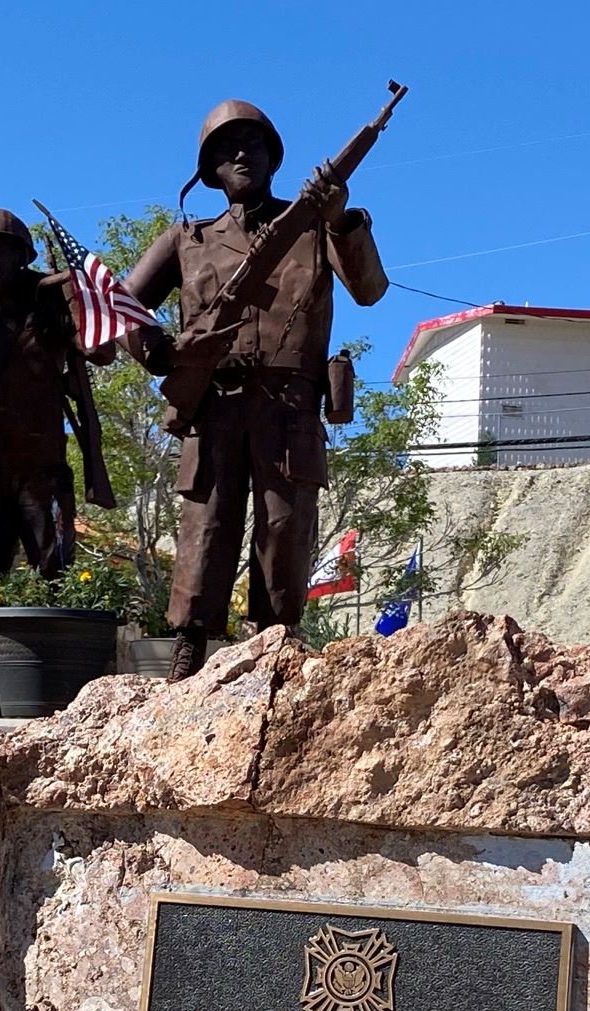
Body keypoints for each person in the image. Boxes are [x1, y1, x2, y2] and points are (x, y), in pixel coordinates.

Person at [122, 100, 388, 681]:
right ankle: (190, 645)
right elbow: (120, 309)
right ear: (210, 168)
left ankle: (275, 643)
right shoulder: (186, 240)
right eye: (226, 148)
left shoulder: (315, 226)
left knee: (283, 524)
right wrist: (166, 354)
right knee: (207, 522)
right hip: (215, 401)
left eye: (253, 145)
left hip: (289, 406)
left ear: (274, 158)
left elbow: (369, 290)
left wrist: (341, 218)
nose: (241, 155)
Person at [0, 208, 112, 714]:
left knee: (57, 581)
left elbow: (103, 351)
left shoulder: (49, 323)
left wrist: (67, 290)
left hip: (44, 479)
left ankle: (61, 701)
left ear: (22, 257)